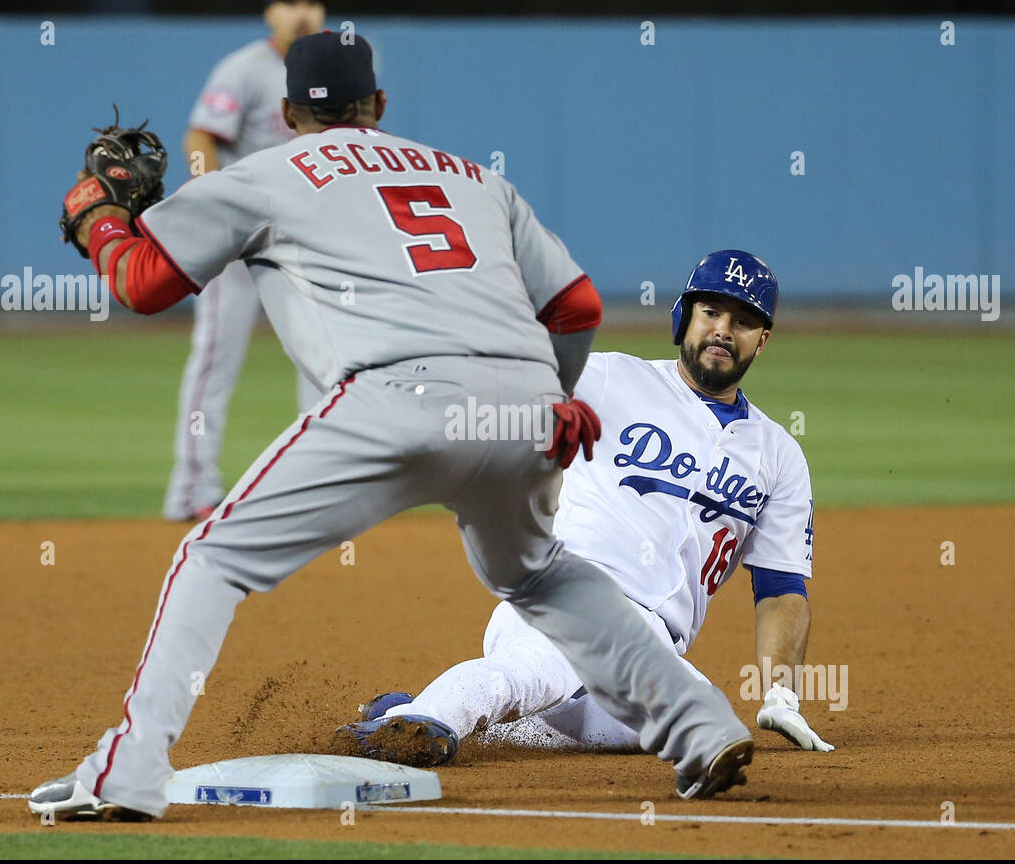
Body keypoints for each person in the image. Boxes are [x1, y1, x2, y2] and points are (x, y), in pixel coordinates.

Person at [31, 32, 755, 822]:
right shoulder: (475, 178)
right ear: (378, 106)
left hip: (391, 398)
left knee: (212, 559)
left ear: (285, 114)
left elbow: (144, 284)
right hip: (520, 408)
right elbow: (577, 305)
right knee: (540, 574)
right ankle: (699, 725)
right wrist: (557, 393)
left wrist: (98, 219)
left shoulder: (266, 171)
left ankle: (128, 774)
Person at [336, 251, 834, 762]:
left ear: (762, 339)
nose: (724, 330)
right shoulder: (608, 379)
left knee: (707, 725)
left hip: (647, 645)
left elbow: (781, 588)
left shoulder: (779, 455)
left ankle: (414, 707)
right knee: (532, 672)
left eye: (744, 321)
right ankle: (415, 724)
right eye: (711, 312)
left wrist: (781, 692)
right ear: (685, 316)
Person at [164, 0, 327, 523]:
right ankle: (193, 488)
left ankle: (320, 483)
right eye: (288, 1)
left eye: (312, 2)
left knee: (323, 359)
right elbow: (200, 136)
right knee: (215, 358)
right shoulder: (244, 69)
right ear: (267, 13)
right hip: (239, 237)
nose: (301, 12)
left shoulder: (329, 70)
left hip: (301, 238)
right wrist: (212, 203)